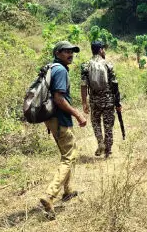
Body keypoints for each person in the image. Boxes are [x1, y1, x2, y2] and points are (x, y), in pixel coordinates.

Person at [40, 41, 88, 215]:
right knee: (70, 156)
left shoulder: (51, 67)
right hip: (60, 119)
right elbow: (59, 99)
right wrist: (78, 114)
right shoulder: (60, 70)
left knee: (67, 154)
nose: (70, 54)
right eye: (66, 51)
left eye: (72, 51)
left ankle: (67, 191)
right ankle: (50, 195)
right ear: (58, 53)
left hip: (51, 119)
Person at [80, 40, 122, 158]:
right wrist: (117, 102)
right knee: (108, 125)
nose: (105, 51)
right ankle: (108, 150)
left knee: (95, 122)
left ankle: (100, 142)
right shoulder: (108, 64)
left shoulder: (86, 65)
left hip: (94, 101)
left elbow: (83, 85)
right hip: (108, 101)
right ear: (100, 50)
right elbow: (115, 84)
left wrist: (84, 102)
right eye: (104, 49)